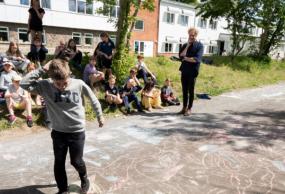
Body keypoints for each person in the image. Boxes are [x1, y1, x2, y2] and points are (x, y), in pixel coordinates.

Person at [20, 59, 104, 194]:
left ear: (69, 74)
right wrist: (42, 69)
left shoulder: (79, 84)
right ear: (51, 78)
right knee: (59, 162)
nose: (62, 86)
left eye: (64, 82)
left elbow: (93, 98)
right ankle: (63, 189)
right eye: (58, 83)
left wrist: (100, 116)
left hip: (77, 132)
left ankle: (84, 178)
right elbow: (24, 83)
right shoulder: (45, 86)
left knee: (76, 161)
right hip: (58, 132)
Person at [178, 27, 204, 116]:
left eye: (193, 35)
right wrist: (188, 46)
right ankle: (184, 107)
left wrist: (185, 58)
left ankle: (189, 108)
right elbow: (180, 56)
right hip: (184, 70)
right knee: (184, 90)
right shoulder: (185, 45)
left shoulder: (200, 46)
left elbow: (196, 59)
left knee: (191, 90)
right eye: (190, 35)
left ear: (196, 35)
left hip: (193, 72)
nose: (191, 37)